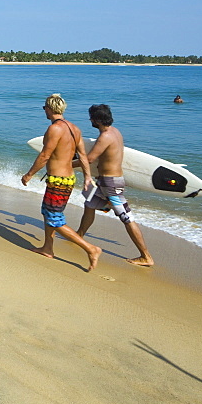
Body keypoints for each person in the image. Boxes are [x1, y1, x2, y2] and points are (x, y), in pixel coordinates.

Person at [21, 94, 101, 271]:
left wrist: (29, 174)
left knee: (55, 220)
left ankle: (91, 249)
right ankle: (48, 247)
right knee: (47, 212)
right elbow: (83, 156)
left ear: (50, 108)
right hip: (67, 180)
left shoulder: (55, 129)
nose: (44, 111)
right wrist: (87, 176)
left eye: (44, 108)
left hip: (58, 182)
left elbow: (45, 155)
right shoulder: (75, 129)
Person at [76, 104, 154, 267]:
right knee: (89, 205)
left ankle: (146, 256)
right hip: (106, 182)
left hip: (111, 184)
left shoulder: (105, 137)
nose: (89, 119)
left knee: (126, 217)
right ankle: (79, 236)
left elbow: (89, 159)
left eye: (91, 117)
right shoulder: (115, 132)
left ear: (97, 119)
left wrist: (64, 164)